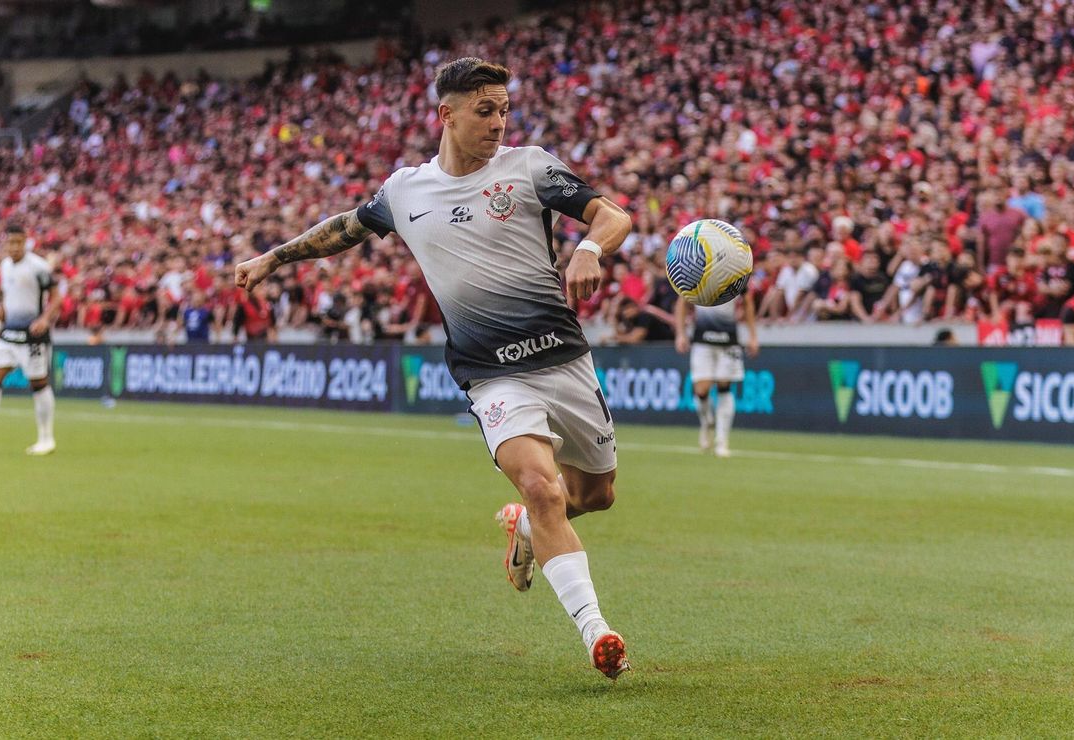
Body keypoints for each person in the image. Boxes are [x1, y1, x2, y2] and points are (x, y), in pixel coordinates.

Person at [234, 58, 633, 679]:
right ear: (445, 114)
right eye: (484, 110)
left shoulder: (529, 167)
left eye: (503, 109)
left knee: (595, 495)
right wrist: (273, 258)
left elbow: (613, 215)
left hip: (563, 360)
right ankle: (597, 632)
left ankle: (525, 531)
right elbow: (344, 229)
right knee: (542, 486)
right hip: (490, 375)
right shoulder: (405, 191)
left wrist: (587, 248)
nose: (499, 122)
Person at [0, 225, 60, 455]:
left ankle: (46, 438)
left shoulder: (38, 267)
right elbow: (6, 297)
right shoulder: (4, 266)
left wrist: (44, 319)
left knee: (38, 383)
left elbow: (56, 297)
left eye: (18, 243)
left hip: (33, 336)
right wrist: (0, 322)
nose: (13, 247)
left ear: (25, 242)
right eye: (10, 243)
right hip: (9, 334)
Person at [673, 289, 759, 458]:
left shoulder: (737, 272)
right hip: (702, 340)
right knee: (701, 390)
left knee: (724, 386)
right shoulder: (698, 271)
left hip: (728, 341)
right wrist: (681, 334)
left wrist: (753, 336)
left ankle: (722, 441)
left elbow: (748, 301)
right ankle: (707, 423)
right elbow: (682, 301)